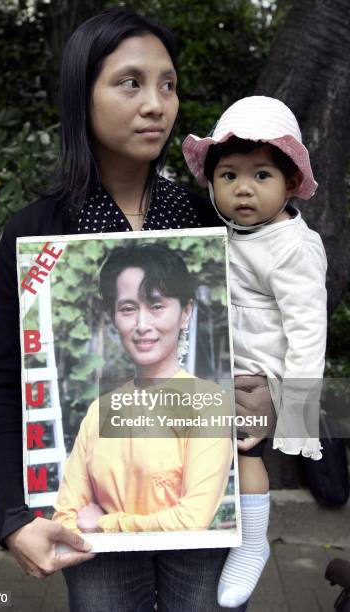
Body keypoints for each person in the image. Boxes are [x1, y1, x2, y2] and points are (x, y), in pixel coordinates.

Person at [0, 7, 272, 610]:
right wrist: (13, 518)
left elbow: (275, 329)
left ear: (186, 313)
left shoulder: (204, 216)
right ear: (81, 95)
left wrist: (273, 402)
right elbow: (6, 383)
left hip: (204, 528)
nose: (156, 104)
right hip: (94, 544)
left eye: (167, 84)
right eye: (130, 82)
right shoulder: (38, 230)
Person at [183, 95, 327, 607]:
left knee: (243, 452)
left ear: (290, 184)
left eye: (261, 175)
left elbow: (309, 330)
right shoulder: (227, 233)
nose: (243, 188)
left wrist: (296, 411)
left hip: (257, 379)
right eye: (229, 176)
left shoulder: (292, 246)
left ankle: (252, 544)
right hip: (214, 366)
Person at [53, 243, 233, 536]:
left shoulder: (208, 405)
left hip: (181, 567)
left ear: (185, 312)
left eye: (156, 306)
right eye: (127, 309)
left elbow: (192, 520)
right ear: (113, 318)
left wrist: (104, 523)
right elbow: (65, 517)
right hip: (104, 565)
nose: (141, 324)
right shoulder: (100, 411)